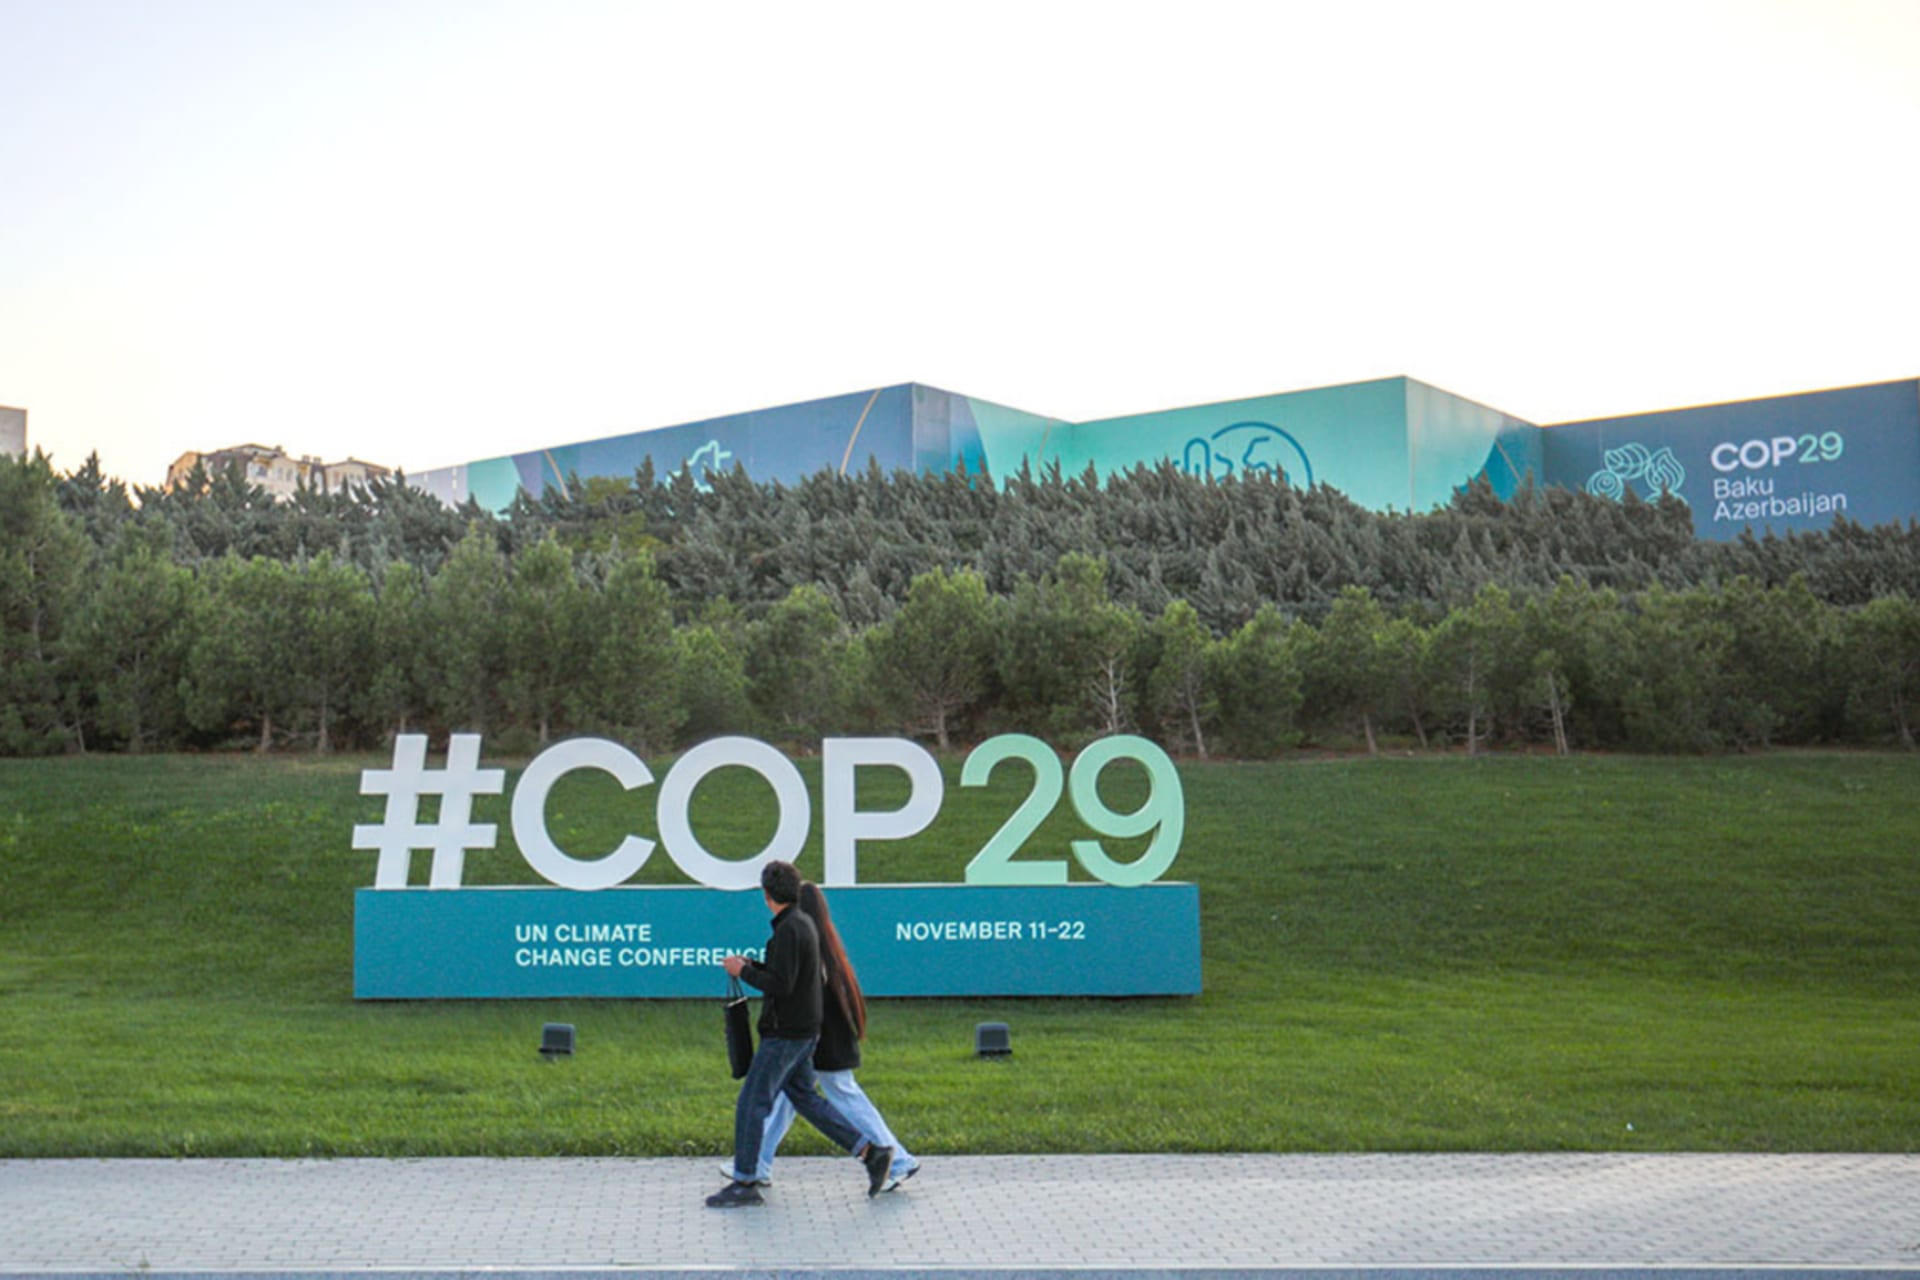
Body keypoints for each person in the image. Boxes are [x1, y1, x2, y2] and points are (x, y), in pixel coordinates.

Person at [707, 859, 893, 1209]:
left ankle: (745, 1181)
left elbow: (782, 984)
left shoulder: (788, 930)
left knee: (752, 1103)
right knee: (807, 1100)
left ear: (767, 895)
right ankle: (871, 1153)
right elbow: (786, 973)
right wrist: (752, 965)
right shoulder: (802, 924)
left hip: (785, 1035)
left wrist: (742, 972)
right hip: (804, 1033)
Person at [735, 879, 920, 1190]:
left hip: (820, 1040)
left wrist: (747, 970)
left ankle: (897, 1160)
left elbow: (788, 987)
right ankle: (758, 1163)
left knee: (839, 1095)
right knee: (790, 1097)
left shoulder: (804, 942)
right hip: (823, 1037)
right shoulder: (822, 944)